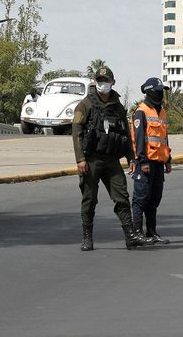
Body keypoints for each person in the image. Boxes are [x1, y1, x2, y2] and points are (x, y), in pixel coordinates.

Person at [71, 66, 149, 251]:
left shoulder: (117, 106)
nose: (103, 84)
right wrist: (80, 159)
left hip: (112, 160)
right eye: (100, 81)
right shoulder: (85, 104)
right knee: (89, 199)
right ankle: (87, 238)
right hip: (91, 159)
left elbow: (125, 133)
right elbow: (76, 132)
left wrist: (132, 158)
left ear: (113, 82)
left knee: (121, 197)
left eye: (106, 81)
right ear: (95, 82)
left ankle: (130, 236)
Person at [130, 77, 173, 244]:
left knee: (154, 199)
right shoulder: (141, 111)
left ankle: (151, 232)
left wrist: (168, 158)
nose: (161, 94)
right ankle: (136, 233)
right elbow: (138, 139)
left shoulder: (161, 112)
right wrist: (142, 161)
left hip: (159, 162)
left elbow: (164, 138)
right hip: (145, 163)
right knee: (141, 199)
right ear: (149, 92)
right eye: (158, 91)